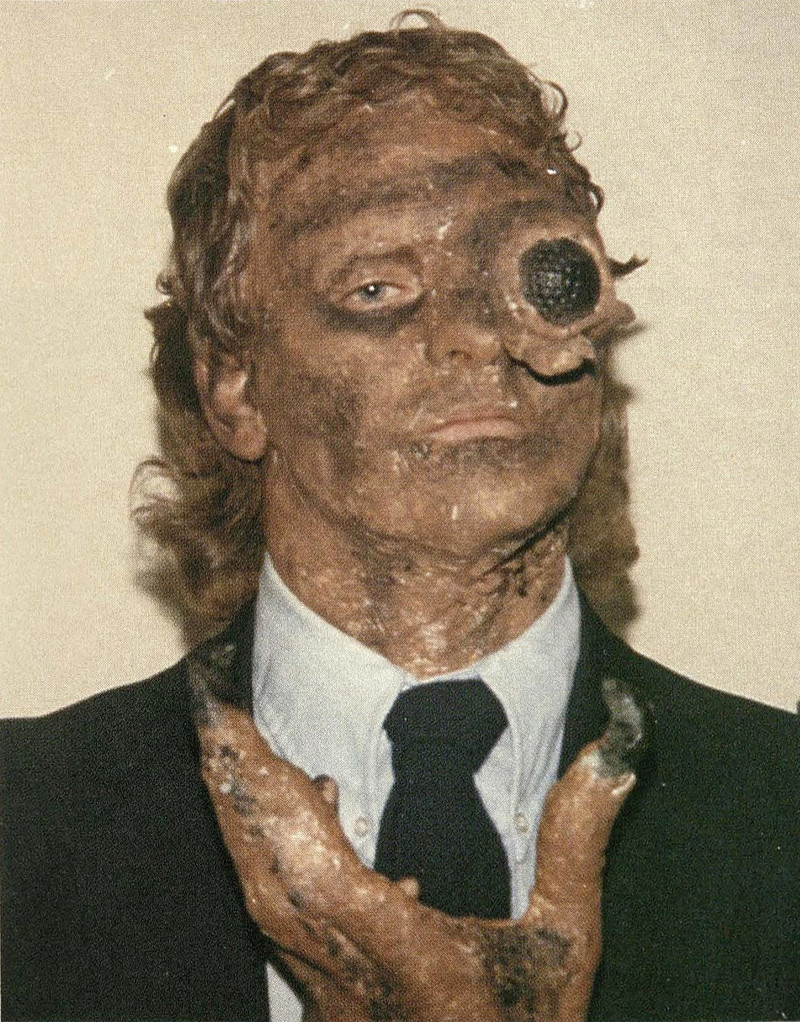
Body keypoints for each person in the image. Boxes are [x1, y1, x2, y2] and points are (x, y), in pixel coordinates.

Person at [1, 13, 797, 1022]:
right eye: (376, 286)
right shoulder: (26, 829)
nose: (477, 335)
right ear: (236, 387)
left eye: (531, 272)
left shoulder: (777, 814)